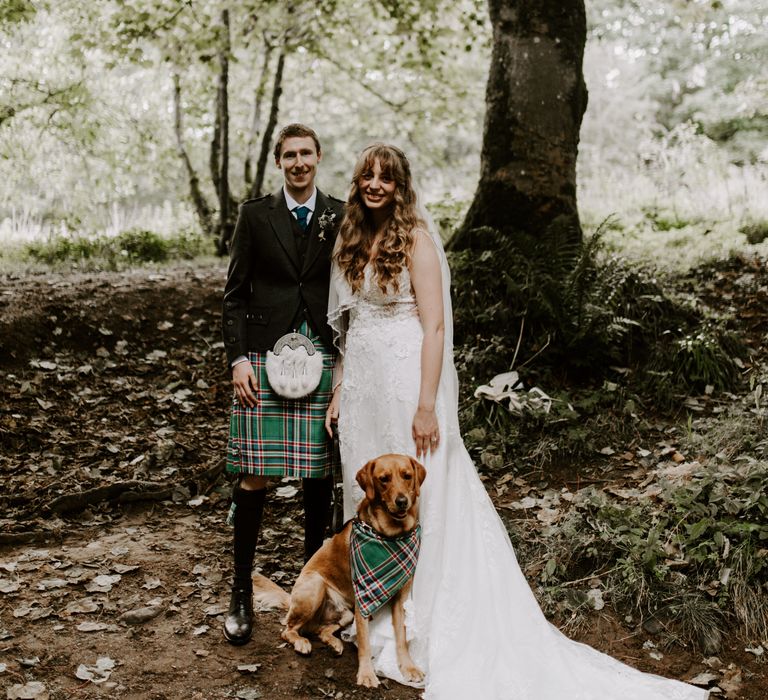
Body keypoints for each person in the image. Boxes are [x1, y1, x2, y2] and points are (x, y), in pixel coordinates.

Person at [325, 143, 708, 699]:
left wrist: (427, 403)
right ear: (358, 182)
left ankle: (422, 612)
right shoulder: (352, 237)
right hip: (363, 383)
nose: (376, 185)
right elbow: (348, 322)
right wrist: (340, 388)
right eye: (368, 176)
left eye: (387, 177)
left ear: (401, 186)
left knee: (418, 484)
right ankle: (373, 604)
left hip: (409, 376)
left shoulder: (419, 241)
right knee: (371, 494)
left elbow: (434, 328)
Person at [221, 123, 344, 646]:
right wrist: (237, 361)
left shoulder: (340, 213)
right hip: (263, 358)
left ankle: (308, 588)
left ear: (318, 158)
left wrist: (346, 366)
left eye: (306, 154)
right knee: (254, 476)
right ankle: (241, 592)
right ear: (279, 162)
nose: (298, 162)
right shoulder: (254, 214)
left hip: (321, 353)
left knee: (318, 477)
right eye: (289, 155)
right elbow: (234, 293)